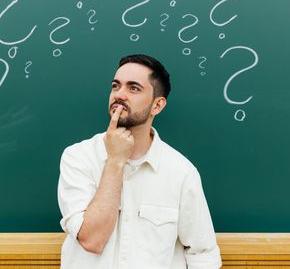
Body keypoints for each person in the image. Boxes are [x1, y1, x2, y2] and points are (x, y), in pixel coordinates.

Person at [58, 54, 222, 269]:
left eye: (133, 88)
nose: (120, 95)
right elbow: (92, 239)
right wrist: (115, 161)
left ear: (157, 106)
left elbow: (203, 254)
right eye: (116, 86)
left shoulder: (181, 172)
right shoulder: (78, 158)